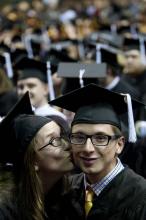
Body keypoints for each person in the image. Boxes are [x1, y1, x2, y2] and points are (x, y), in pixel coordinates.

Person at [50, 83, 146, 220]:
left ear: (119, 145)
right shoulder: (66, 189)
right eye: (79, 137)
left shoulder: (140, 197)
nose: (87, 148)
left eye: (100, 138)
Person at [0, 91, 74, 220]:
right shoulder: (5, 210)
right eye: (54, 140)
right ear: (33, 161)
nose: (67, 145)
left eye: (61, 136)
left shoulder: (67, 196)